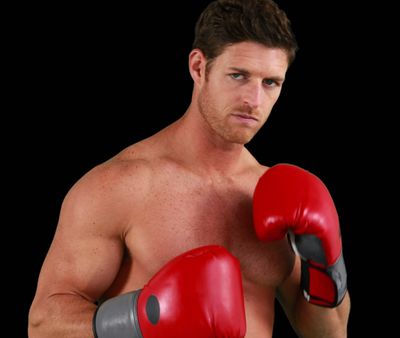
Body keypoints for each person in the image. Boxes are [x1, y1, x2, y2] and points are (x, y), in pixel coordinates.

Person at [28, 0, 351, 337]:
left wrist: (328, 263)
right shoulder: (122, 185)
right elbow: (43, 324)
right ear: (199, 68)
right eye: (238, 76)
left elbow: (328, 332)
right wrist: (143, 317)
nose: (254, 100)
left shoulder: (275, 193)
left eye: (270, 83)